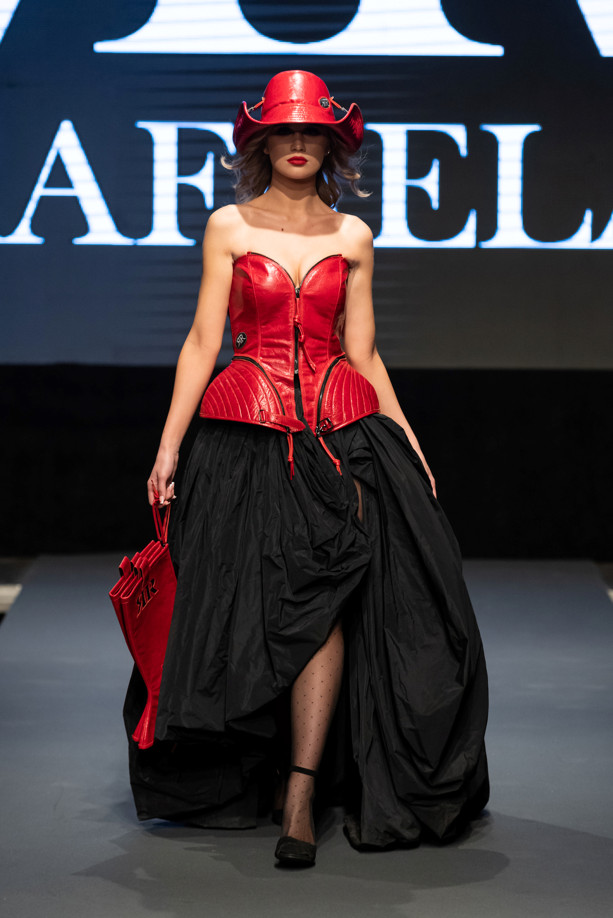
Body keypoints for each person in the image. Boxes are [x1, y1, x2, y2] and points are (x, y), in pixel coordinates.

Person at [125, 70, 489, 868]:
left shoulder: (352, 236)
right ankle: (260, 772)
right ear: (260, 143)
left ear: (331, 146)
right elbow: (203, 340)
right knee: (254, 608)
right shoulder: (227, 226)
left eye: (310, 132)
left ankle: (300, 791)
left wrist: (407, 439)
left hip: (342, 441)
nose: (296, 142)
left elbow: (362, 352)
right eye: (282, 131)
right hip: (242, 444)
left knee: (324, 606)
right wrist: (168, 444)